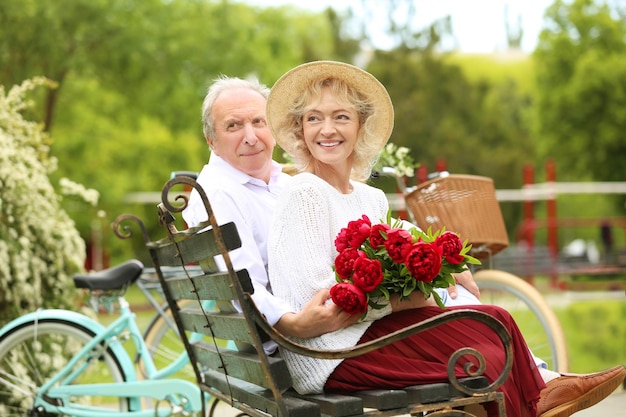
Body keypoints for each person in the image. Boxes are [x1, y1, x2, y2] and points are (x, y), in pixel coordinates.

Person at [265, 60, 626, 417]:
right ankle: (543, 396)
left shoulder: (369, 197)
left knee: (495, 322)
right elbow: (321, 305)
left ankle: (544, 396)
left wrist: (443, 266)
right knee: (487, 350)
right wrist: (406, 300)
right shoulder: (306, 193)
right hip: (332, 355)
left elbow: (395, 251)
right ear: (300, 130)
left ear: (361, 126)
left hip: (369, 332)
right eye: (314, 118)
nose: (327, 129)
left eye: (341, 116)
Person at [182, 75, 478, 340]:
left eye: (258, 122)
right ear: (211, 139)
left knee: (476, 322)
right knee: (476, 331)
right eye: (233, 125)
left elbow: (360, 222)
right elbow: (242, 282)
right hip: (305, 336)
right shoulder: (219, 194)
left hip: (342, 323)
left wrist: (435, 256)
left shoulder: (282, 182)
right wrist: (290, 325)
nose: (250, 136)